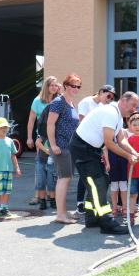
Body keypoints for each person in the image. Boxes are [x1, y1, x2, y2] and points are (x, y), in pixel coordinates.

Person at [72, 91, 139, 234]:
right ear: (123, 101)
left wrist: (134, 153)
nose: (134, 109)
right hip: (83, 149)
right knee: (97, 184)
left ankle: (91, 218)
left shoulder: (117, 115)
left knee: (102, 181)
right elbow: (109, 143)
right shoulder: (111, 113)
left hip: (91, 150)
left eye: (136, 106)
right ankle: (107, 223)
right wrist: (129, 157)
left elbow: (121, 139)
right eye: (133, 105)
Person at [74, 84, 116, 215]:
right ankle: (80, 202)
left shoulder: (104, 106)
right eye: (108, 95)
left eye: (112, 98)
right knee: (85, 176)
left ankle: (90, 206)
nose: (109, 99)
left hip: (97, 144)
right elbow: (83, 122)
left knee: (97, 176)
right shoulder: (86, 102)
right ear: (101, 91)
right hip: (84, 143)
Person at [47, 74, 82, 224]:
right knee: (64, 178)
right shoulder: (58, 102)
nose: (76, 88)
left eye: (78, 86)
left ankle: (62, 211)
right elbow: (50, 124)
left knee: (66, 179)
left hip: (70, 147)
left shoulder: (71, 103)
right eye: (73, 85)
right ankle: (60, 214)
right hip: (61, 147)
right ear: (66, 85)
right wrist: (53, 145)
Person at [26, 75, 62, 205]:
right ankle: (37, 195)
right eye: (51, 85)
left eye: (55, 85)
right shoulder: (37, 101)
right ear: (46, 86)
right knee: (40, 167)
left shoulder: (59, 100)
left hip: (56, 138)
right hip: (42, 138)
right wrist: (29, 137)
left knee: (53, 168)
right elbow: (31, 121)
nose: (54, 87)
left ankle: (51, 194)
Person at [0, 117, 22, 219]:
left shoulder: (10, 141)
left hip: (8, 171)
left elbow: (13, 155)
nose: (4, 129)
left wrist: (17, 168)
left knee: (7, 191)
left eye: (6, 127)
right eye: (1, 127)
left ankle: (4, 208)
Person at [107, 130, 129, 220]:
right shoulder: (108, 131)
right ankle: (114, 208)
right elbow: (104, 148)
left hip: (123, 161)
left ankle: (124, 208)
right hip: (112, 161)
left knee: (123, 185)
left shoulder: (123, 131)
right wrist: (107, 163)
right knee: (114, 186)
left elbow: (127, 146)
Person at [34, 134, 57, 211]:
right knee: (41, 182)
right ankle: (42, 201)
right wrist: (46, 150)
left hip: (52, 161)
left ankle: (53, 200)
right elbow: (37, 142)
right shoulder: (43, 134)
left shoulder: (56, 136)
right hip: (41, 161)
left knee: (52, 182)